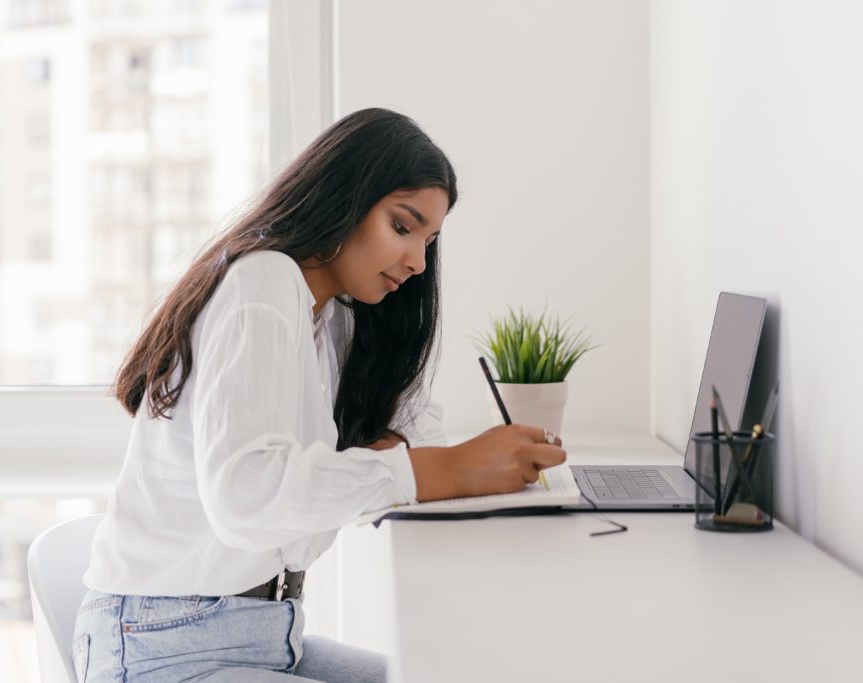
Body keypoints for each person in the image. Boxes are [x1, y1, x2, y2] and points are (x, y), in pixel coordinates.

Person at [71, 107, 567, 682]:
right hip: (164, 644)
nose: (416, 261)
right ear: (345, 197)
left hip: (263, 637)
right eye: (402, 227)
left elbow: (419, 424)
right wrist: (439, 470)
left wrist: (408, 463)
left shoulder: (334, 320)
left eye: (429, 241)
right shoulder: (263, 282)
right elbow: (247, 499)